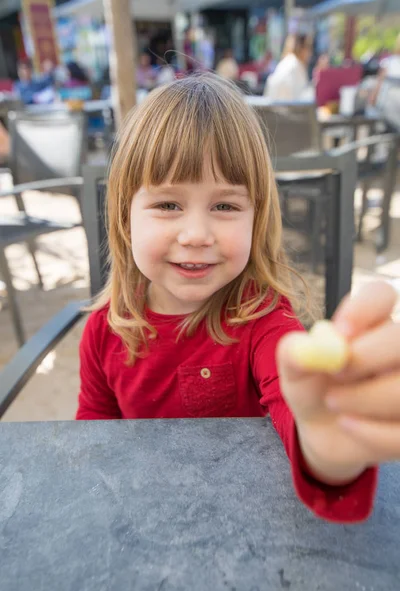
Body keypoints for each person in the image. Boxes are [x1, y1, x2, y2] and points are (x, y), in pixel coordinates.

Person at [77, 73, 400, 523]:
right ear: (126, 219)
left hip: (246, 524)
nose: (195, 235)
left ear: (256, 218)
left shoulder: (263, 322)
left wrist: (328, 446)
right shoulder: (104, 329)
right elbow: (93, 432)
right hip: (144, 521)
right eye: (168, 205)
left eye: (225, 206)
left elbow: (296, 406)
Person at [264, 34, 313, 101]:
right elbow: (302, 97)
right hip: (287, 109)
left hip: (276, 107)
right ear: (301, 49)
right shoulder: (296, 65)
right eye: (308, 48)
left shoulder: (287, 61)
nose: (310, 53)